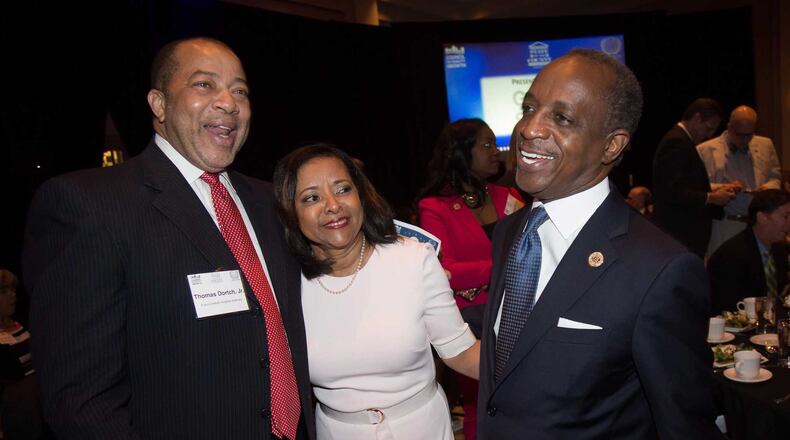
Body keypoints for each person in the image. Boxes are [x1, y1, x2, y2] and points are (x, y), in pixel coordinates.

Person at [23, 37, 314, 440]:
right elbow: (82, 402)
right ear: (159, 104)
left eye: (240, 91)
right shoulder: (90, 204)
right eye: (204, 84)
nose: (228, 103)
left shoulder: (270, 201)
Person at [478, 49, 721, 439]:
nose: (530, 128)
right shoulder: (510, 232)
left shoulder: (659, 270)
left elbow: (685, 426)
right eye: (530, 108)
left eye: (562, 118)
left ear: (611, 146)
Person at [272, 144, 480, 440]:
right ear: (291, 212)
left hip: (423, 428)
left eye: (343, 189)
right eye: (312, 197)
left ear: (361, 195)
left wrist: (538, 370)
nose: (333, 205)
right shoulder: (286, 282)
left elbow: (461, 352)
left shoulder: (412, 259)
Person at [416, 118, 523, 440]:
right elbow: (445, 271)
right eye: (486, 144)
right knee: (480, 404)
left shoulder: (509, 195)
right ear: (462, 152)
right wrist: (505, 267)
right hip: (468, 322)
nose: (495, 151)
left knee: (522, 399)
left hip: (518, 311)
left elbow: (531, 251)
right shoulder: (434, 206)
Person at [652, 97, 738, 258]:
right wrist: (711, 197)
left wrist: (717, 190)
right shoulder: (676, 142)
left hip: (682, 233)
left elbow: (686, 184)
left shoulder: (681, 141)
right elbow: (672, 191)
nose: (709, 135)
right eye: (709, 128)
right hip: (680, 233)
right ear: (697, 118)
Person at [697, 105, 782, 256]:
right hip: (725, 224)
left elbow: (775, 177)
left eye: (749, 135)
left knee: (759, 267)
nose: (745, 140)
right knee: (725, 266)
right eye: (740, 134)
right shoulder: (705, 149)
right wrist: (726, 187)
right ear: (729, 127)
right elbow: (699, 186)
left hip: (759, 224)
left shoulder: (765, 144)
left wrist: (766, 189)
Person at [707, 189, 790, 314]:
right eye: (785, 216)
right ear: (762, 218)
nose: (789, 223)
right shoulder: (731, 256)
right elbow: (728, 307)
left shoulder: (780, 250)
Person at [0, 269, 48, 440]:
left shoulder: (22, 322)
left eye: (13, 289)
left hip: (43, 400)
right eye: (4, 291)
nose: (12, 295)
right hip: (20, 410)